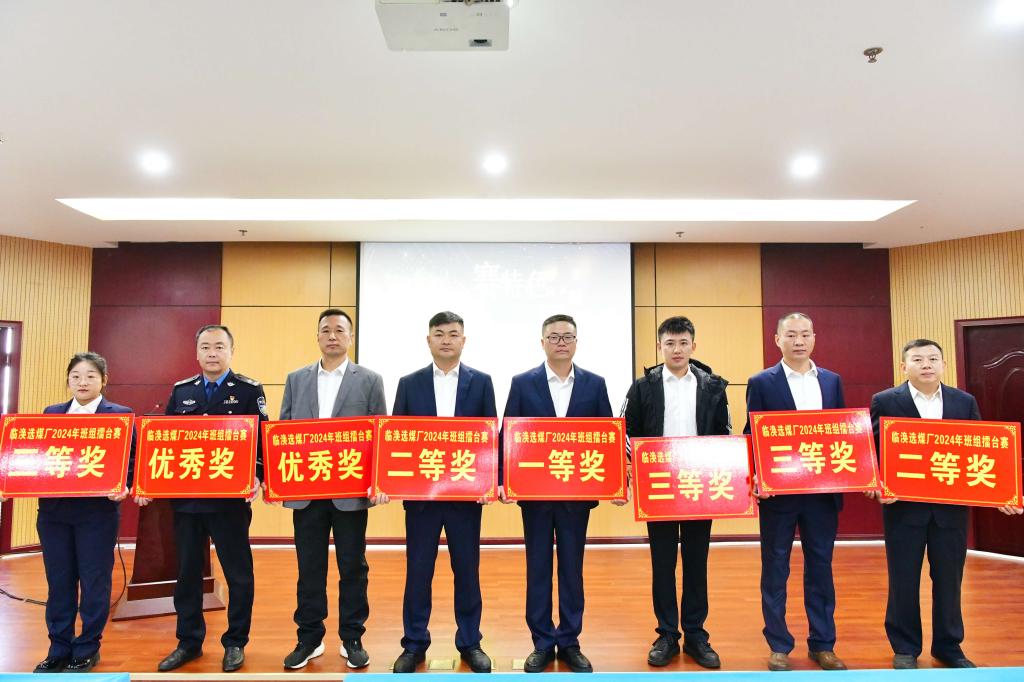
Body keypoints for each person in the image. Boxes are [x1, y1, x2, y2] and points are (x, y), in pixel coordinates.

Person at [867, 338, 1023, 670]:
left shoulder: (963, 401)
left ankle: (948, 646)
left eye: (933, 359)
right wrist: (876, 484)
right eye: (918, 359)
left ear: (943, 364)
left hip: (950, 510)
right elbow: (874, 451)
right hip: (903, 509)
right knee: (903, 579)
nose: (926, 364)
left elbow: (982, 450)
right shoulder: (885, 401)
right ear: (904, 366)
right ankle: (905, 647)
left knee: (950, 580)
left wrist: (1003, 494)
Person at [142, 325, 268, 673]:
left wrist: (258, 476)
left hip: (229, 502)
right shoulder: (182, 391)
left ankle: (236, 642)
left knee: (238, 574)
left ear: (231, 351)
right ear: (196, 353)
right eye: (206, 347)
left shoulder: (248, 390)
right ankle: (189, 642)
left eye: (219, 347)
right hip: (187, 501)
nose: (212, 353)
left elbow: (262, 441)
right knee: (186, 573)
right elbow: (165, 440)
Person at [378, 311, 496, 674]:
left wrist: (489, 482)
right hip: (422, 499)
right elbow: (397, 437)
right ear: (428, 340)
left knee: (467, 571)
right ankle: (414, 644)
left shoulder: (482, 382)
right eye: (440, 334)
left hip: (465, 497)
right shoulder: (409, 383)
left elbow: (490, 436)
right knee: (418, 572)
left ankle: (470, 642)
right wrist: (389, 482)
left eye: (453, 334)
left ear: (464, 340)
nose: (447, 340)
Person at [503, 314, 613, 673]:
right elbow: (509, 435)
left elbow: (607, 437)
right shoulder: (523, 383)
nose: (561, 342)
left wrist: (615, 482)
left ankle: (569, 641)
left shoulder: (595, 385)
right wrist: (505, 480)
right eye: (554, 337)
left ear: (577, 342)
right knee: (537, 568)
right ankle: (541, 641)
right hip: (535, 497)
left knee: (571, 570)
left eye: (567, 337)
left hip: (575, 497)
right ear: (543, 343)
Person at [278, 309, 386, 671]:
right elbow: (283, 433)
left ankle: (352, 637)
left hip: (350, 493)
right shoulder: (296, 379)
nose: (332, 336)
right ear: (317, 337)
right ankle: (309, 638)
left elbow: (380, 436)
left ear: (351, 337)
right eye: (326, 330)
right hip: (306, 493)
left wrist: (378, 482)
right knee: (309, 567)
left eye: (340, 330)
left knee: (353, 567)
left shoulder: (369, 380)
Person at [11, 353, 133, 673]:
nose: (82, 382)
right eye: (76, 376)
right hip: (54, 513)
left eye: (91, 376)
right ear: (68, 379)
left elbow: (131, 461)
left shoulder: (120, 416)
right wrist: (13, 476)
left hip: (97, 514)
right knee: (59, 581)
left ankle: (87, 647)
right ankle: (59, 647)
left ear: (103, 381)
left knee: (94, 582)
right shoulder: (52, 413)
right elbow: (39, 456)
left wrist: (126, 485)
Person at [624, 316, 730, 669]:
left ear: (693, 346)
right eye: (669, 343)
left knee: (697, 562)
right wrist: (634, 470)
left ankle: (696, 635)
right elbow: (626, 433)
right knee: (663, 563)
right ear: (660, 347)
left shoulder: (713, 386)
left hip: (700, 486)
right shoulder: (643, 387)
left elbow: (724, 434)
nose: (677, 349)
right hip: (658, 486)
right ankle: (667, 634)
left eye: (683, 342)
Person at [744, 312, 847, 672]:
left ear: (814, 338)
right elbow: (752, 434)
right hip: (779, 495)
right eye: (791, 335)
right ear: (778, 340)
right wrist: (757, 477)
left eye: (805, 334)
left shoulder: (832, 381)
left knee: (821, 567)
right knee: (775, 568)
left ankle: (823, 644)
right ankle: (778, 644)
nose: (799, 341)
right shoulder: (761, 382)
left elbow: (842, 430)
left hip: (822, 493)